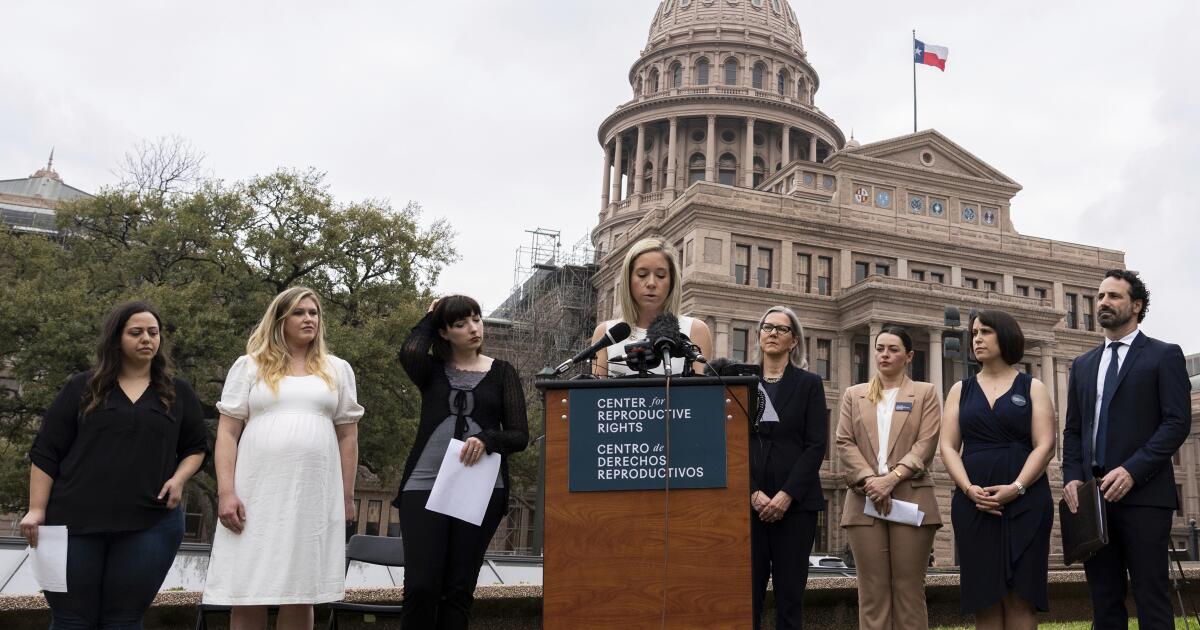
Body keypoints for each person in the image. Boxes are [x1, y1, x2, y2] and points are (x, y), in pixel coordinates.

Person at [21, 301, 209, 629]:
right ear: (116, 339)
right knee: (71, 620)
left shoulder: (176, 392)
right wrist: (37, 510)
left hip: (150, 524)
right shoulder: (82, 387)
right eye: (136, 333)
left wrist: (179, 478)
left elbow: (196, 446)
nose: (147, 339)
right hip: (72, 523)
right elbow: (46, 452)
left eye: (153, 332)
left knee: (123, 620)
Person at [203, 287, 363, 630]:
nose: (309, 319)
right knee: (249, 588)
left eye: (314, 312)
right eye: (299, 312)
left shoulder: (337, 370)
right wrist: (226, 492)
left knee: (300, 590)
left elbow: (348, 437)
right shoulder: (249, 366)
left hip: (313, 495)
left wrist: (347, 497)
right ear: (280, 319)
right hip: (256, 493)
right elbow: (227, 434)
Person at [1062, 270, 1190, 630]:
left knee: (1152, 596)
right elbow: (1073, 431)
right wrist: (1072, 477)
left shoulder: (1164, 356)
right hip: (1094, 500)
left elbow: (1176, 423)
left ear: (1136, 305)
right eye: (1100, 296)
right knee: (1104, 601)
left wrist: (1133, 470)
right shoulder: (1083, 365)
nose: (1103, 302)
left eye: (1114, 296)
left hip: (1145, 496)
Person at [395, 295, 529, 630]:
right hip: (422, 486)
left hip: (481, 489)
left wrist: (487, 439)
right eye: (460, 323)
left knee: (458, 590)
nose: (473, 328)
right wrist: (430, 314)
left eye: (476, 318)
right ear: (443, 332)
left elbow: (519, 435)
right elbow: (410, 351)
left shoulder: (503, 373)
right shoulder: (431, 371)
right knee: (421, 586)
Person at [939, 310, 1055, 629]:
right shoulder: (959, 390)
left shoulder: (1033, 387)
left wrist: (1016, 488)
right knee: (985, 601)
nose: (977, 338)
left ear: (1005, 337)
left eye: (985, 332)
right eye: (974, 333)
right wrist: (967, 488)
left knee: (1021, 599)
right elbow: (948, 446)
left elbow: (1045, 445)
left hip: (1026, 503)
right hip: (974, 506)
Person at [835, 325, 942, 630]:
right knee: (872, 593)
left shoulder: (925, 393)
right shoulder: (853, 395)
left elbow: (926, 442)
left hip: (911, 497)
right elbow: (844, 441)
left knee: (909, 591)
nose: (884, 354)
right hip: (864, 500)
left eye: (893, 349)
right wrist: (871, 480)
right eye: (880, 348)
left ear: (908, 356)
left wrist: (891, 479)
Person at [749, 306, 827, 630]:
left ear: (794, 341)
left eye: (781, 329)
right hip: (748, 508)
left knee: (790, 601)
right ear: (759, 335)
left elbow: (815, 446)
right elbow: (729, 444)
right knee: (745, 598)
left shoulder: (809, 384)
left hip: (795, 509)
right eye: (767, 327)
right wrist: (752, 492)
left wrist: (784, 496)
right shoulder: (742, 382)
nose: (773, 333)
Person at [591, 237, 713, 376]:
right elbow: (597, 396)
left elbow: (702, 393)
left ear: (672, 282)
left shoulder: (695, 330)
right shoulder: (606, 334)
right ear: (628, 280)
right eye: (642, 274)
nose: (651, 283)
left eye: (661, 276)